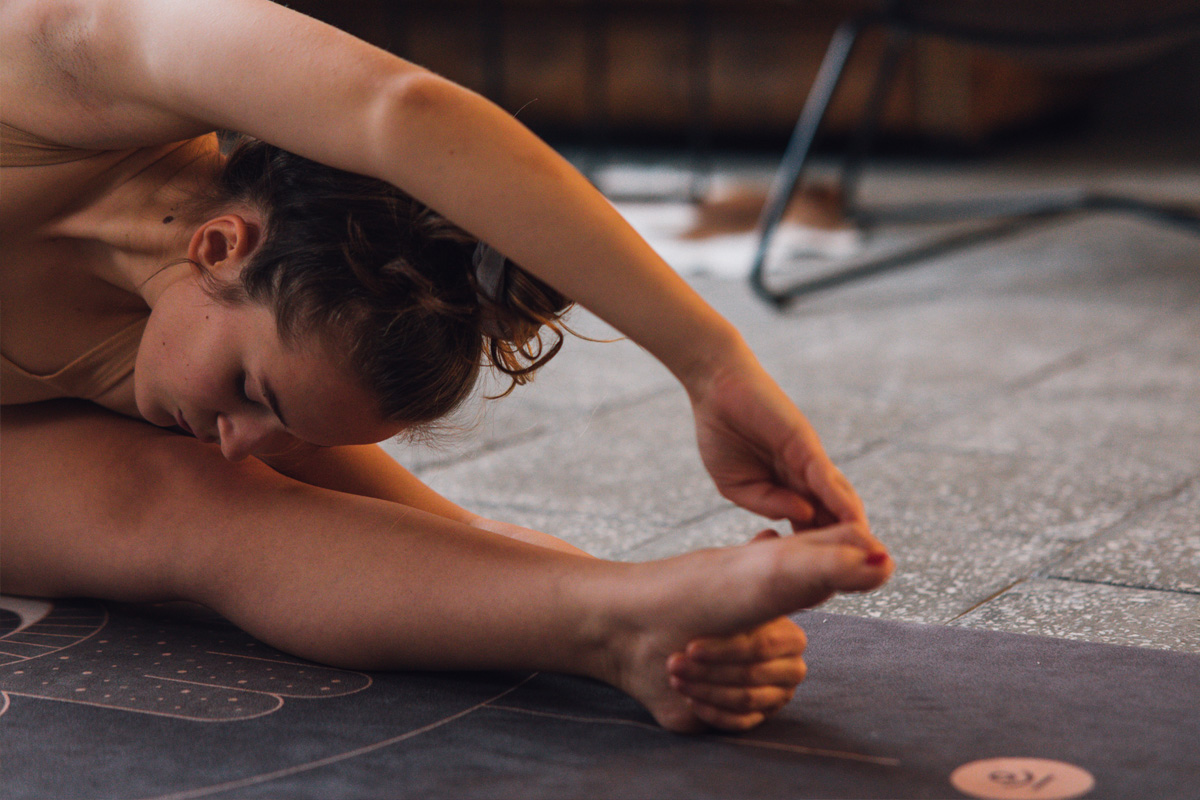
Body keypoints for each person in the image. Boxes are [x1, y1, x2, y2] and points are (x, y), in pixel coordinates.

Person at [0, 0, 892, 734]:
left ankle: (612, 635)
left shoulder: (185, 352)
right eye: (251, 392)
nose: (243, 444)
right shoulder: (65, 52)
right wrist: (711, 363)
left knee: (196, 502)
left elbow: (448, 535)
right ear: (222, 245)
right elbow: (397, 110)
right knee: (176, 488)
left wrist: (642, 602)